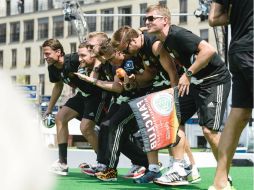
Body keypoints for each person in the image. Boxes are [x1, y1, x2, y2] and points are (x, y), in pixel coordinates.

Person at [144, 4, 231, 186]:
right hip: (194, 84)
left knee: (209, 131)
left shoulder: (178, 35)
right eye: (146, 18)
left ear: (165, 20)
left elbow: (209, 50)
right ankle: (179, 168)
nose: (147, 21)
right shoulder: (163, 41)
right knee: (172, 119)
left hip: (214, 81)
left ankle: (224, 174)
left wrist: (188, 74)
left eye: (151, 18)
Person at [111, 26, 202, 184]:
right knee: (149, 124)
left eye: (125, 50)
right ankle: (153, 169)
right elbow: (148, 74)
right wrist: (133, 79)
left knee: (173, 126)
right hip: (158, 87)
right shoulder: (138, 50)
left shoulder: (154, 45)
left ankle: (190, 167)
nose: (125, 54)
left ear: (132, 41)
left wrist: (175, 98)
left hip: (175, 86)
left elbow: (173, 71)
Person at [42, 38, 111, 175]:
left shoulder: (74, 59)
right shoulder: (52, 68)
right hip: (82, 96)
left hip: (97, 95)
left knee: (86, 128)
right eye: (44, 54)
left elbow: (95, 57)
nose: (45, 57)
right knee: (60, 117)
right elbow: (58, 86)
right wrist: (49, 109)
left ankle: (103, 163)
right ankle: (62, 163)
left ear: (58, 52)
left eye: (48, 53)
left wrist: (95, 72)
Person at [208, 1, 253, 189]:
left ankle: (220, 182)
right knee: (238, 116)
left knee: (239, 115)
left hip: (238, 51)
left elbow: (213, 18)